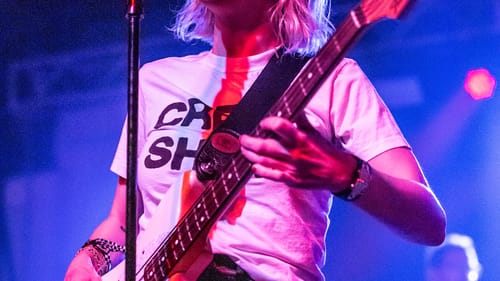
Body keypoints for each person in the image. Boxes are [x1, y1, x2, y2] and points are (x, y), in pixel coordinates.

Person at [64, 0, 447, 280]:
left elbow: (429, 222)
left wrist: (344, 173)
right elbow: (123, 220)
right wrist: (89, 261)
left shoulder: (331, 78)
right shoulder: (155, 80)